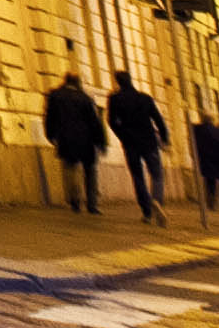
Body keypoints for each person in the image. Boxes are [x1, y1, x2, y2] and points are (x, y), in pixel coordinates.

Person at [106, 70, 171, 224]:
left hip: (130, 144)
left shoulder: (115, 99)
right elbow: (158, 120)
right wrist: (165, 138)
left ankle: (147, 212)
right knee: (156, 174)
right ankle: (157, 201)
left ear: (117, 82)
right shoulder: (145, 98)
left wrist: (122, 135)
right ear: (131, 79)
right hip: (149, 142)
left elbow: (111, 122)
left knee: (138, 177)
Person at [43, 69, 110, 213]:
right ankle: (92, 204)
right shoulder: (85, 98)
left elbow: (50, 117)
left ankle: (75, 201)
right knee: (90, 171)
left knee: (70, 168)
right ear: (78, 83)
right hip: (87, 140)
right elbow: (95, 122)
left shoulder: (55, 96)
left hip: (65, 138)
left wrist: (50, 134)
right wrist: (101, 142)